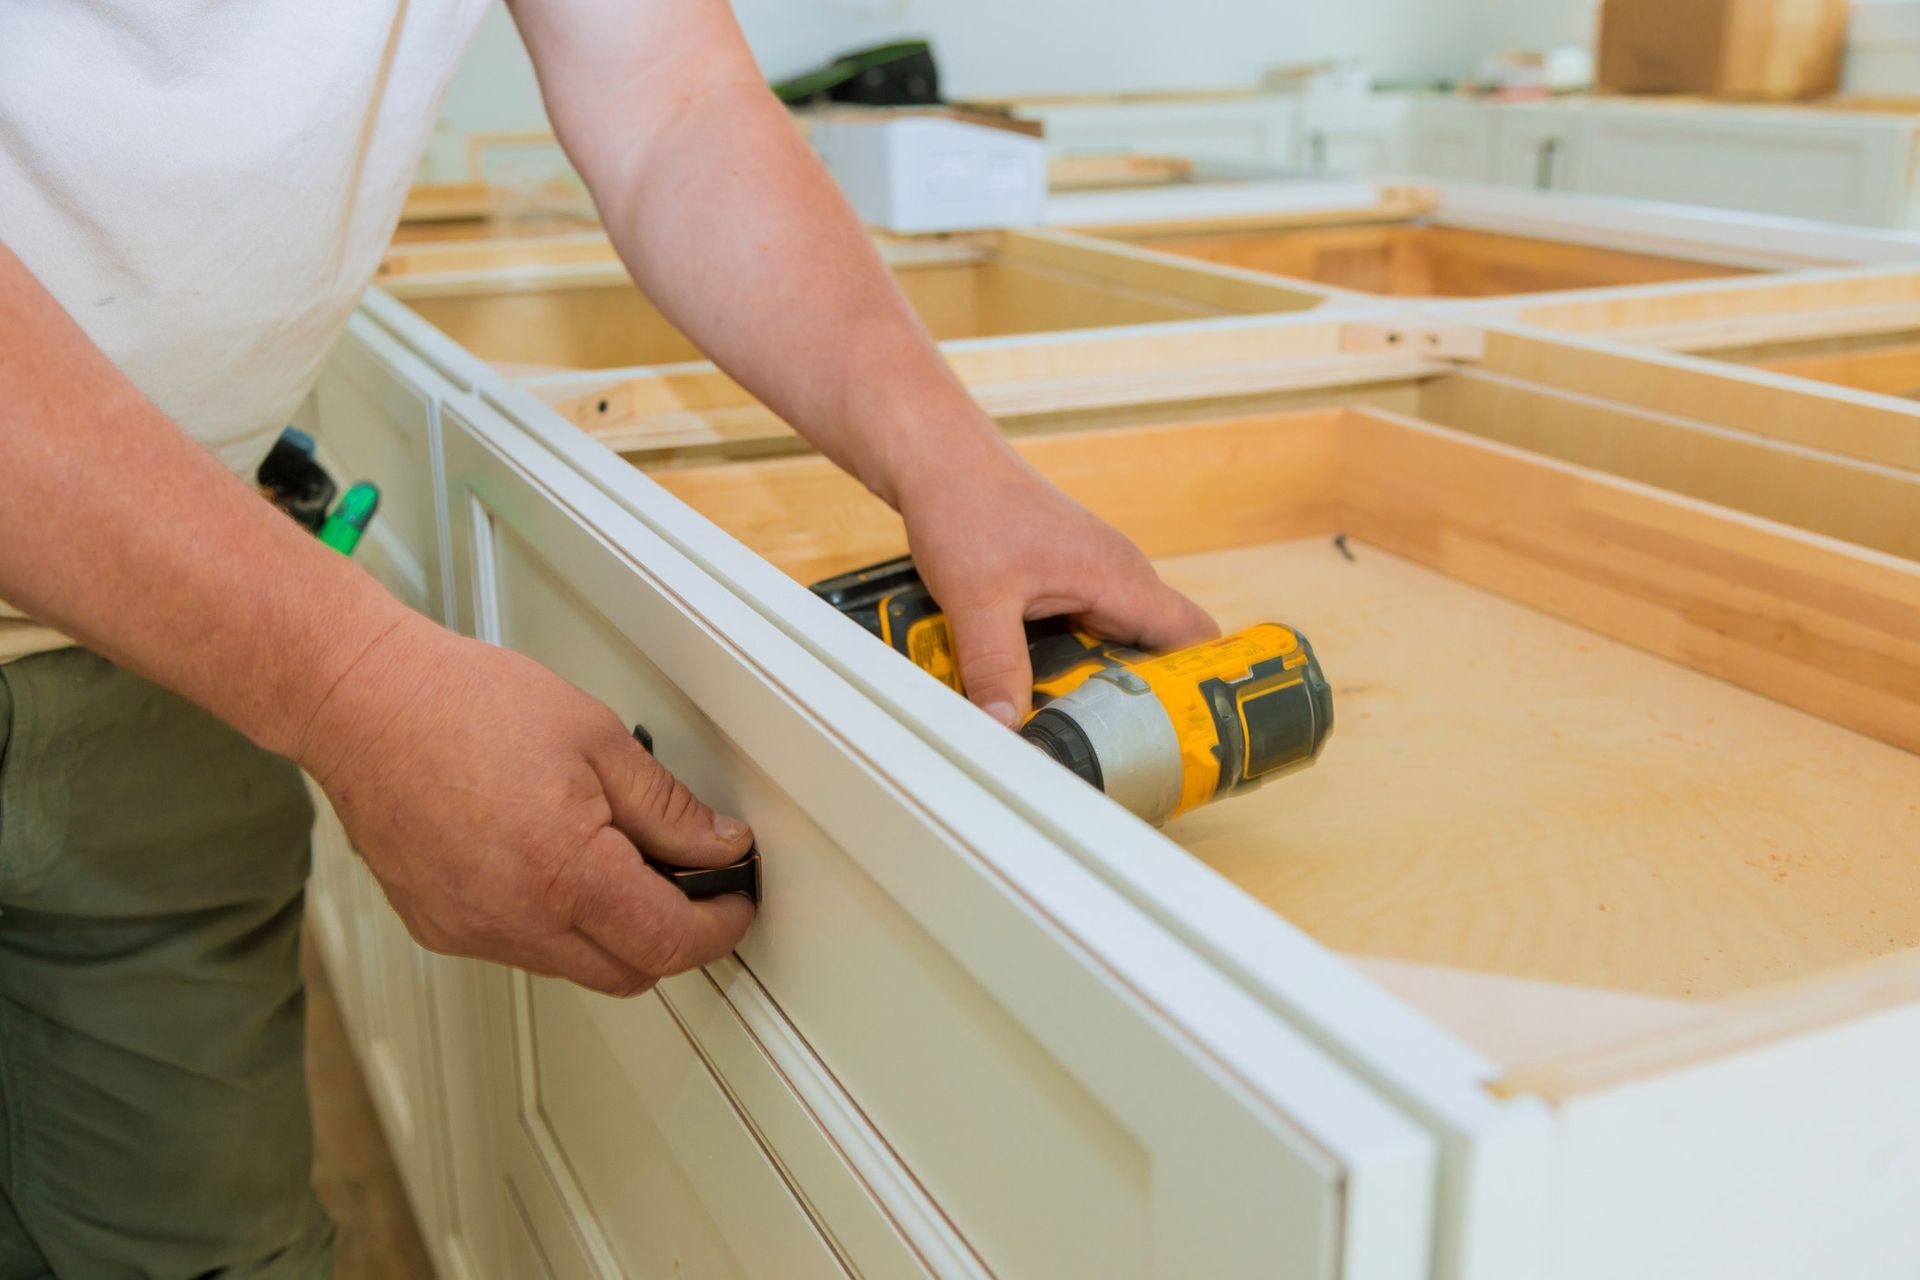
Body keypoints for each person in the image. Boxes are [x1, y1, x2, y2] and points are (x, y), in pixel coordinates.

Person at [0, 0, 1216, 1272]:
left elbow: (673, 98)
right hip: (232, 620)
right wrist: (350, 679)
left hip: (171, 636)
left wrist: (952, 458)